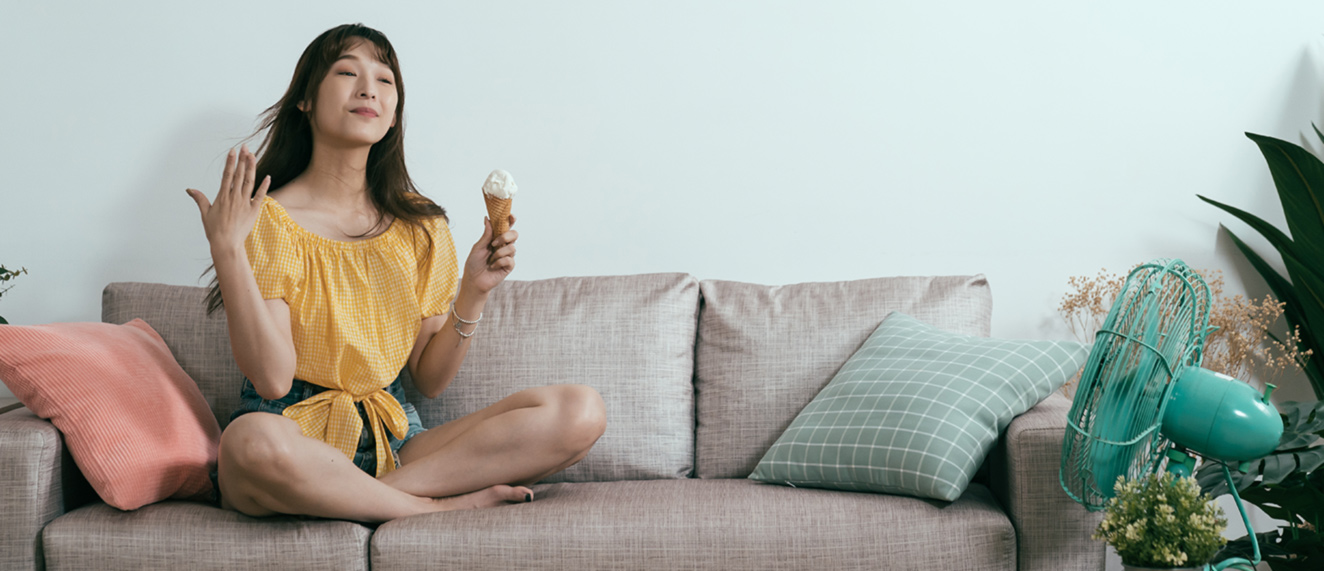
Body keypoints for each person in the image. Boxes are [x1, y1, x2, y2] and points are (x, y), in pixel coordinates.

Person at [185, 23, 606, 523]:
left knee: (581, 410)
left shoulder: (420, 226)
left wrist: (474, 290)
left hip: (393, 443)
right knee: (248, 441)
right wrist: (228, 250)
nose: (369, 89)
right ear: (305, 100)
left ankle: (366, 498)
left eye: (385, 81)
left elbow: (428, 379)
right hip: (291, 440)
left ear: (394, 110)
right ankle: (427, 508)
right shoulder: (265, 219)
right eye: (347, 72)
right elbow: (273, 380)